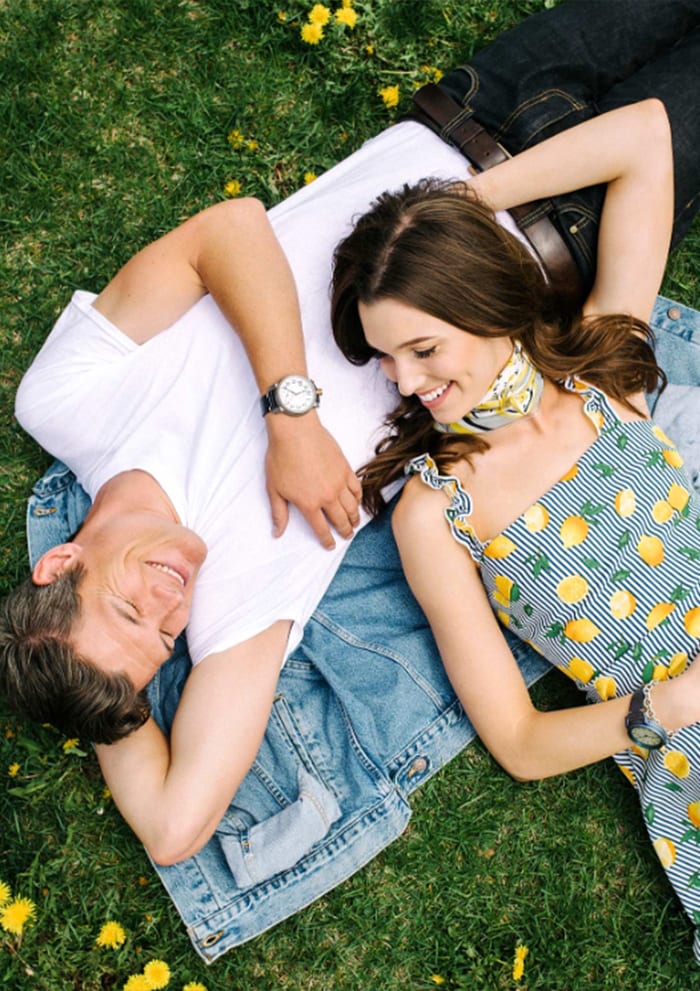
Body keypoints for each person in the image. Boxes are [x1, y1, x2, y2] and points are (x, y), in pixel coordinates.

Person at [7, 0, 700, 964]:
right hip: (569, 246)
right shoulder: (238, 604)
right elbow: (174, 828)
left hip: (467, 125)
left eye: (131, 609)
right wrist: (101, 688)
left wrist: (289, 413)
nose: (171, 606)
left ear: (58, 563)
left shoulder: (68, 407)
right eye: (163, 641)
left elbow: (228, 232)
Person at [329, 71, 700, 968]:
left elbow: (646, 139)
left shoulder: (604, 375)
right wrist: (668, 705)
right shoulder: (438, 510)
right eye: (386, 359)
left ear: (483, 302)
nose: (406, 381)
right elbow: (521, 743)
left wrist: (457, 207)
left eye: (423, 347)